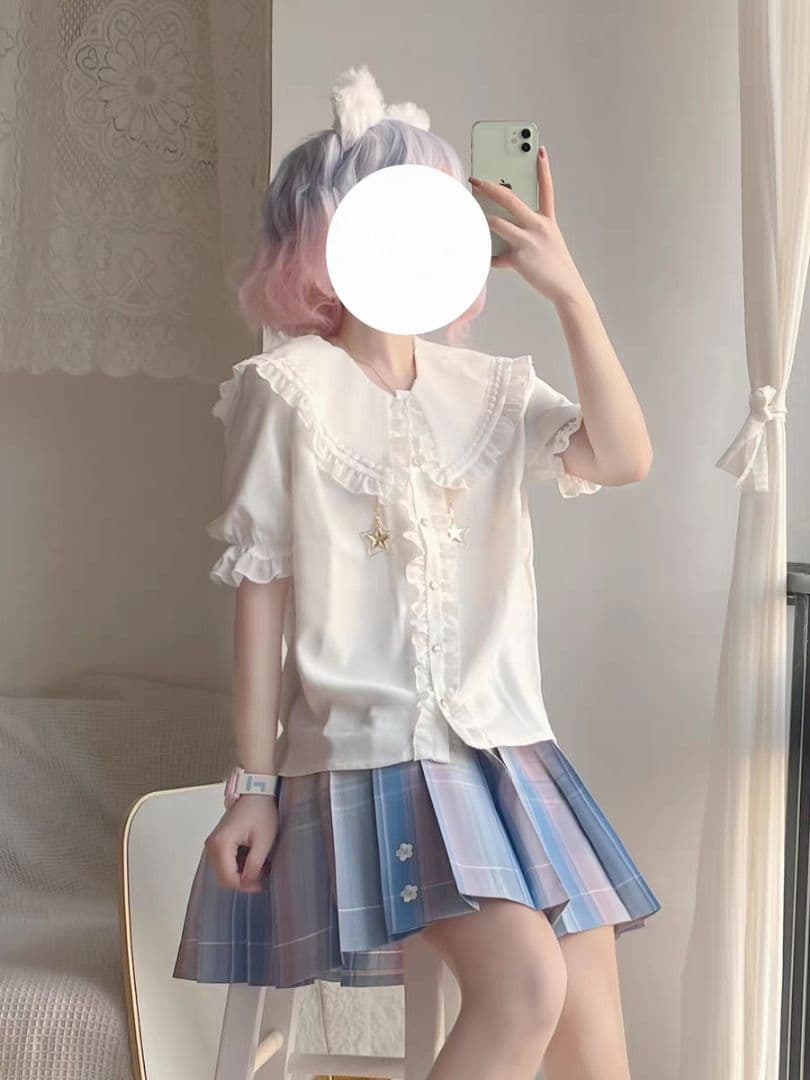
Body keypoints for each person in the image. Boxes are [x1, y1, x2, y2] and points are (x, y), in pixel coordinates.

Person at [173, 64, 661, 1080]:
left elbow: (622, 457)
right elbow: (261, 595)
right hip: (373, 760)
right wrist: (252, 784)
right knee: (525, 986)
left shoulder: (486, 390)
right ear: (328, 236)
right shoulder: (284, 390)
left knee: (591, 1006)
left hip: (509, 754)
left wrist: (568, 289)